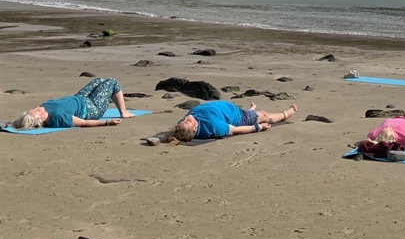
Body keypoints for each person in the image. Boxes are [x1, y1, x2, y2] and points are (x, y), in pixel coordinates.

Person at [11, 77, 134, 129]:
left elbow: (18, 124)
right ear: (41, 119)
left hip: (80, 98)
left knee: (99, 80)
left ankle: (115, 101)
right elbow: (84, 123)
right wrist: (107, 122)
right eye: (37, 110)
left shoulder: (44, 109)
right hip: (91, 108)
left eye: (35, 108)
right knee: (112, 82)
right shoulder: (59, 118)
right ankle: (123, 112)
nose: (38, 107)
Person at [164, 100, 298, 142]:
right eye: (187, 121)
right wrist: (258, 127)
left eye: (183, 120)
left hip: (227, 109)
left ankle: (251, 110)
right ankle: (285, 114)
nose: (186, 118)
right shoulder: (214, 127)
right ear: (194, 129)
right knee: (262, 114)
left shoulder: (184, 123)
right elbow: (235, 130)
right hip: (238, 116)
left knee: (252, 112)